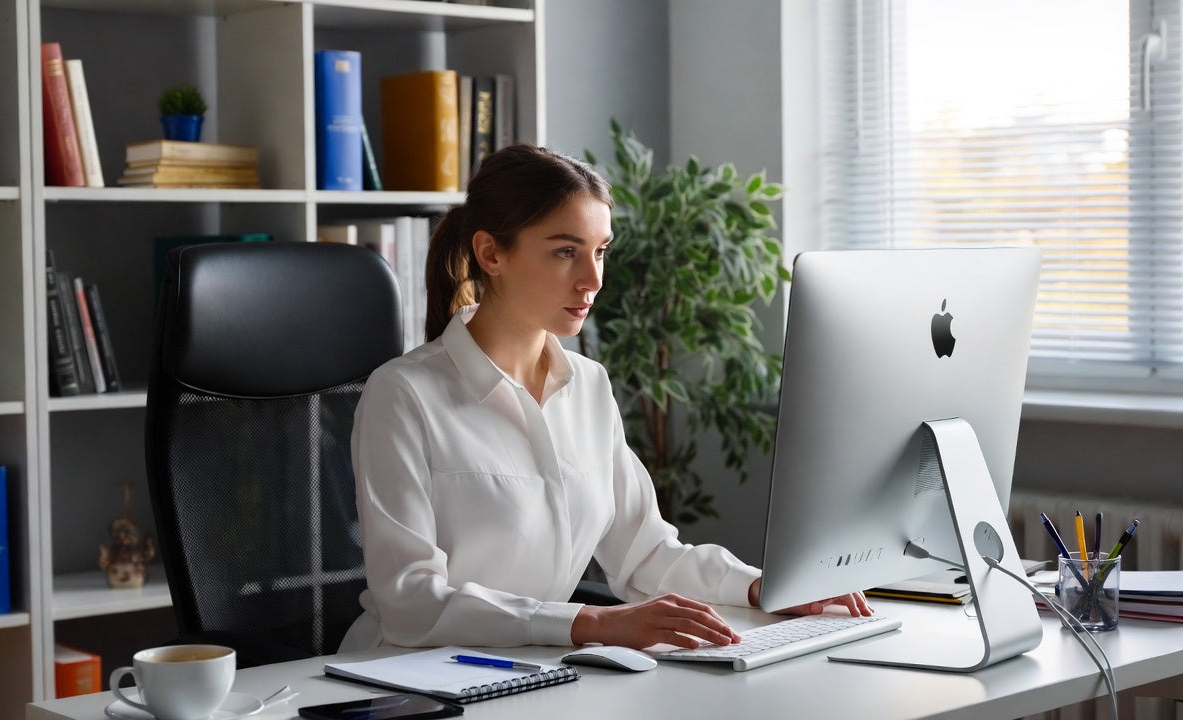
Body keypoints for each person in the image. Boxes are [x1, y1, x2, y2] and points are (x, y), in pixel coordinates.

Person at [339, 143, 869, 653]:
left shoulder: (588, 386)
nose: (592, 279)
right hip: (406, 679)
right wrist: (590, 622)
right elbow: (411, 602)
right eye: (565, 252)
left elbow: (647, 555)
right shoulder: (403, 395)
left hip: (530, 669)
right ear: (490, 253)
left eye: (600, 252)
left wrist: (766, 588)